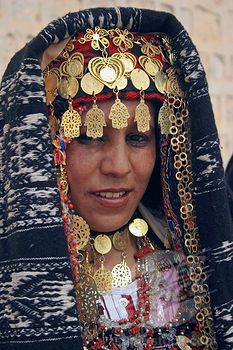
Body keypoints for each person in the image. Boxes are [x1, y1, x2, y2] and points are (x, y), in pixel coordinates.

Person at [0, 7, 232, 350]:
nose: (118, 166)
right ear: (43, 142)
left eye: (138, 138)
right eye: (89, 137)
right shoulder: (13, 279)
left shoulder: (192, 257)